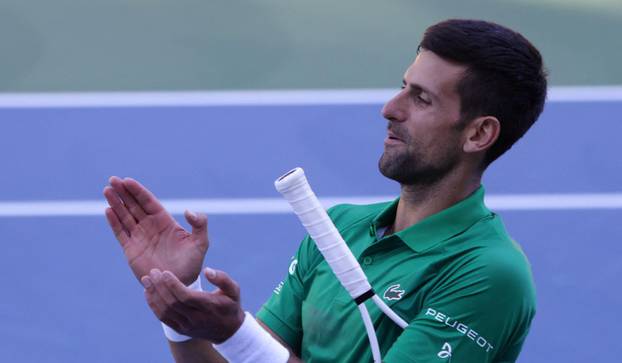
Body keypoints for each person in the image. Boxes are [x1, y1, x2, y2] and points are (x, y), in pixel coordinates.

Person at [103, 19, 547, 363]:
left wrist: (235, 333)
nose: (390, 109)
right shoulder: (339, 227)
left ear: (479, 134)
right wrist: (181, 300)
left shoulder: (488, 274)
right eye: (402, 88)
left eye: (422, 99)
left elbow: (248, 349)